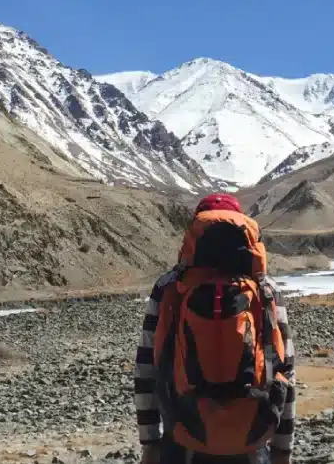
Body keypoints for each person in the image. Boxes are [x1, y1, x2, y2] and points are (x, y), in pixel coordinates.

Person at [134, 193, 296, 464]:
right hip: (251, 436)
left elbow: (146, 368)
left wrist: (150, 443)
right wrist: (283, 449)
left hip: (183, 436)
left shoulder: (170, 287)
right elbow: (286, 369)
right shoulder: (266, 290)